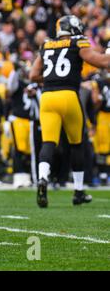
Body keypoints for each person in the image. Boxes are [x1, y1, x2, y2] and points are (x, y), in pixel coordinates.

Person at [29, 15, 110, 207]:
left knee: (48, 142)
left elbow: (33, 75)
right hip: (69, 95)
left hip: (47, 97)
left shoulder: (47, 44)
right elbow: (100, 62)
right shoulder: (78, 42)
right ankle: (79, 191)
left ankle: (42, 179)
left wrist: (51, 77)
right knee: (76, 143)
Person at [6, 60, 33, 188]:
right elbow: (10, 86)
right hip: (19, 119)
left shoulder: (35, 84)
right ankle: (18, 177)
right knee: (19, 149)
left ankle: (26, 177)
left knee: (29, 151)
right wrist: (15, 70)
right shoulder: (18, 83)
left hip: (31, 120)